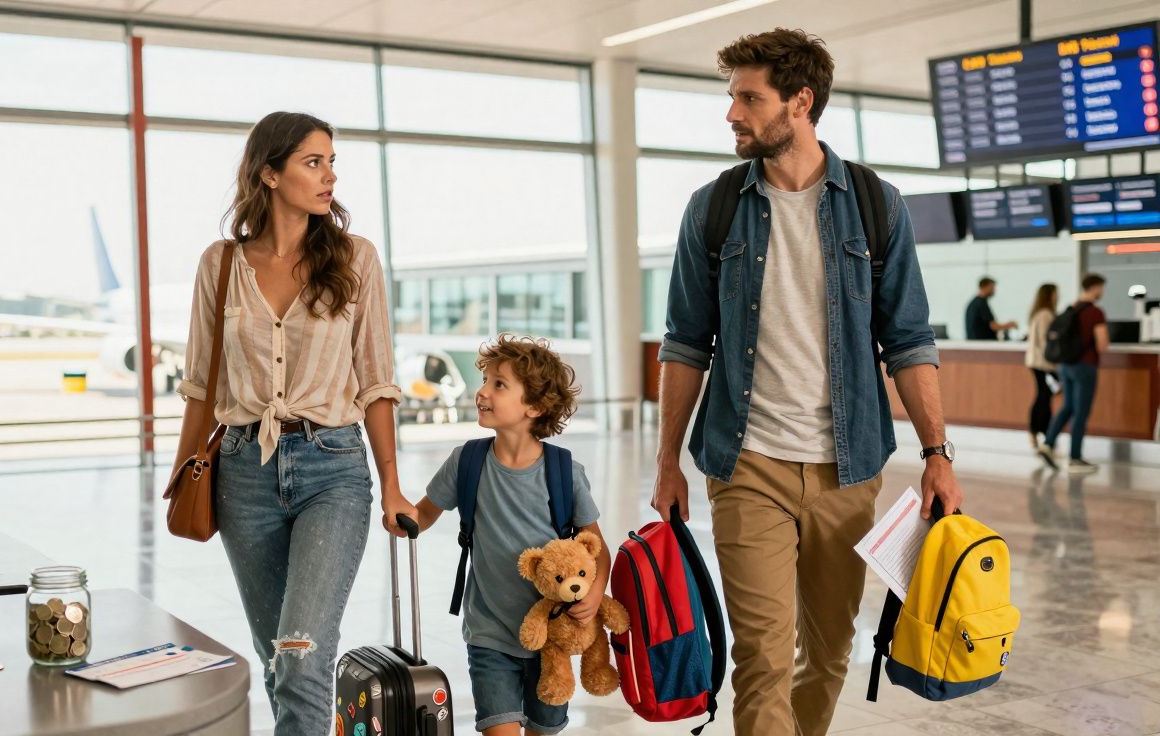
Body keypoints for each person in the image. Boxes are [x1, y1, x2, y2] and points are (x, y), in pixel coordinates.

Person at [650, 28, 963, 736]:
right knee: (761, 655)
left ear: (800, 101)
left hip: (847, 468)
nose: (732, 113)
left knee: (827, 654)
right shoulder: (715, 208)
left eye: (748, 98)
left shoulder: (877, 206)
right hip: (745, 463)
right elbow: (685, 342)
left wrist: (938, 453)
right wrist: (668, 462)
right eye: (731, 97)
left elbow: (909, 340)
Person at [170, 111, 416, 736]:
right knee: (279, 658)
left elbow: (378, 380)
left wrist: (390, 483)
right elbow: (202, 387)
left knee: (304, 655)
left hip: (332, 469)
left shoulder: (355, 258)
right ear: (269, 174)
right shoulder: (220, 265)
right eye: (314, 162)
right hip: (241, 474)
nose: (329, 176)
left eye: (332, 162)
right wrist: (182, 474)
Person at [413, 335, 606, 736]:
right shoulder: (466, 461)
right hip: (489, 634)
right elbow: (422, 515)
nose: (482, 391)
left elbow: (596, 548)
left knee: (542, 729)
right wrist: (396, 509)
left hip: (552, 635)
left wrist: (593, 593)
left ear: (534, 406)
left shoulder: (564, 473)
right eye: (484, 380)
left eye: (499, 384)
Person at [1038, 274, 1109, 474]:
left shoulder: (1072, 308)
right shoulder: (1095, 312)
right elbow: (1102, 344)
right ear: (1095, 288)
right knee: (1081, 412)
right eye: (1101, 288)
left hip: (1065, 365)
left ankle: (1048, 443)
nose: (1102, 292)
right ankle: (1075, 458)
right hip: (1085, 367)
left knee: (1067, 406)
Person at [1024, 283, 1058, 449]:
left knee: (1044, 396)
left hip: (1037, 362)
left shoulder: (1038, 313)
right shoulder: (1045, 314)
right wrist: (1055, 360)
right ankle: (1041, 431)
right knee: (1044, 397)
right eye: (1056, 293)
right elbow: (1046, 341)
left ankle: (1040, 431)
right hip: (1043, 363)